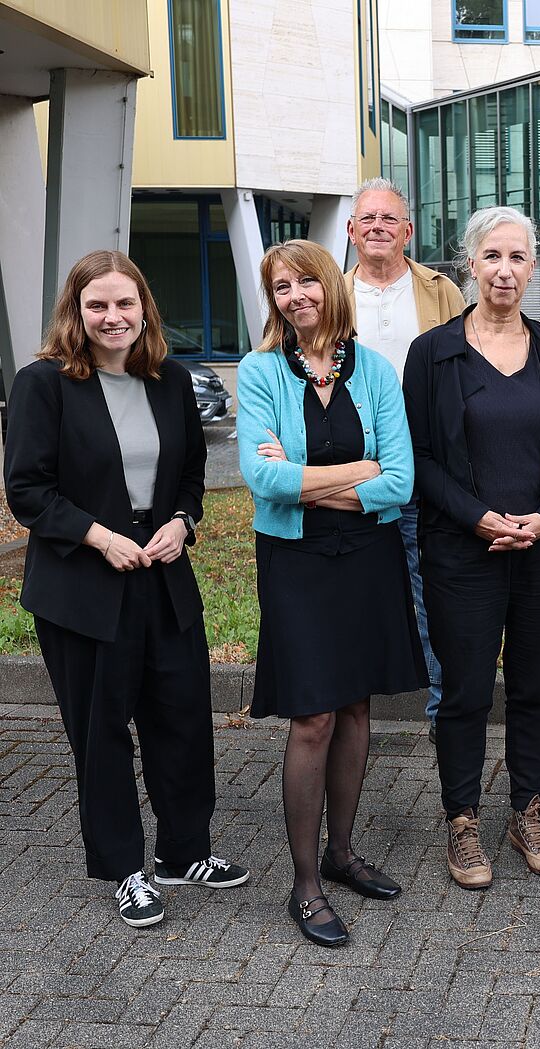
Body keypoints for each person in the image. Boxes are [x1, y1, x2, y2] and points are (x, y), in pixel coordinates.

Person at [4, 250, 249, 929]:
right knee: (102, 731)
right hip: (84, 585)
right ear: (76, 313)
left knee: (182, 717)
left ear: (145, 308)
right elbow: (27, 489)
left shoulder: (169, 380)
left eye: (125, 303)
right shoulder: (43, 385)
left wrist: (182, 521)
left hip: (164, 575)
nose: (113, 317)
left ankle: (184, 851)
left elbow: (195, 474)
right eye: (98, 305)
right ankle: (125, 869)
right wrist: (98, 536)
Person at [238, 239, 424, 948]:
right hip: (296, 560)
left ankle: (344, 854)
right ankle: (305, 881)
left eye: (305, 282)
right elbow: (266, 483)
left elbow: (401, 481)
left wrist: (316, 480)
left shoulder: (373, 370)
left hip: (366, 558)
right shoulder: (259, 373)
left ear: (329, 287)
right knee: (312, 714)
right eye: (281, 287)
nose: (295, 296)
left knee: (355, 704)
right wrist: (357, 472)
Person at [403, 206, 540, 889]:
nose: (505, 270)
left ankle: (526, 809)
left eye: (518, 257)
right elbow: (420, 458)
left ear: (531, 266)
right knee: (464, 691)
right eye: (493, 257)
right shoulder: (434, 354)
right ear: (470, 265)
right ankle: (461, 820)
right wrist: (481, 517)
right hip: (463, 550)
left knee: (536, 685)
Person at [343, 177, 467, 743]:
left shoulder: (441, 292)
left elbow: (471, 370)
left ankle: (446, 721)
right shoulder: (330, 296)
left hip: (426, 471)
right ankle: (348, 717)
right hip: (355, 475)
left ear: (408, 230)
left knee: (435, 600)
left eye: (389, 219)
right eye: (366, 218)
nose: (377, 227)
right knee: (355, 599)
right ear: (350, 231)